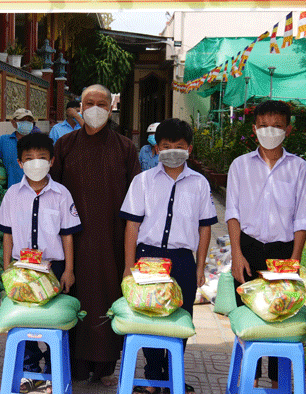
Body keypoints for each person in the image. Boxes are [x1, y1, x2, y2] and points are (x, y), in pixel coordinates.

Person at [50, 84, 140, 387]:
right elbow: (54, 192)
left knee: (107, 298)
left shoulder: (126, 147)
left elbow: (137, 198)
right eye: (89, 103)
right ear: (79, 106)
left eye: (102, 103)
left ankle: (104, 366)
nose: (96, 108)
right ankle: (74, 364)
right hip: (71, 240)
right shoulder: (64, 145)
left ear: (111, 107)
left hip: (112, 240)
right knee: (71, 300)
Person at [120, 118, 217, 394]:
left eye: (179, 146)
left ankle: (173, 374)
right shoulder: (143, 181)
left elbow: (205, 227)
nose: (172, 150)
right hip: (148, 259)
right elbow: (132, 225)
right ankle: (153, 377)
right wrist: (129, 265)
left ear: (189, 148)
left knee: (180, 318)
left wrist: (200, 266)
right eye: (166, 146)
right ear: (156, 148)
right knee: (150, 318)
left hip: (183, 260)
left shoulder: (199, 183)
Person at [225, 100, 306, 389]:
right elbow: (233, 213)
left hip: (283, 253)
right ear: (254, 129)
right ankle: (249, 381)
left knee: (280, 321)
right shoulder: (240, 166)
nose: (270, 131)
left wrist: (295, 262)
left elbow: (302, 218)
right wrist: (236, 254)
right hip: (248, 249)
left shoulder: (299, 168)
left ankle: (277, 382)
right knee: (251, 319)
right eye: (264, 126)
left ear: (287, 129)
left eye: (276, 126)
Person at [0, 132, 82, 392]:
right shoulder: (13, 194)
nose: (36, 163)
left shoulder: (61, 194)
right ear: (20, 163)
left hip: (53, 268)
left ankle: (53, 371)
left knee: (50, 319)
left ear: (52, 160)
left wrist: (68, 269)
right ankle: (30, 368)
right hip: (21, 269)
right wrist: (6, 269)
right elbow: (7, 234)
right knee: (25, 319)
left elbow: (67, 235)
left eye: (41, 157)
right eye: (29, 158)